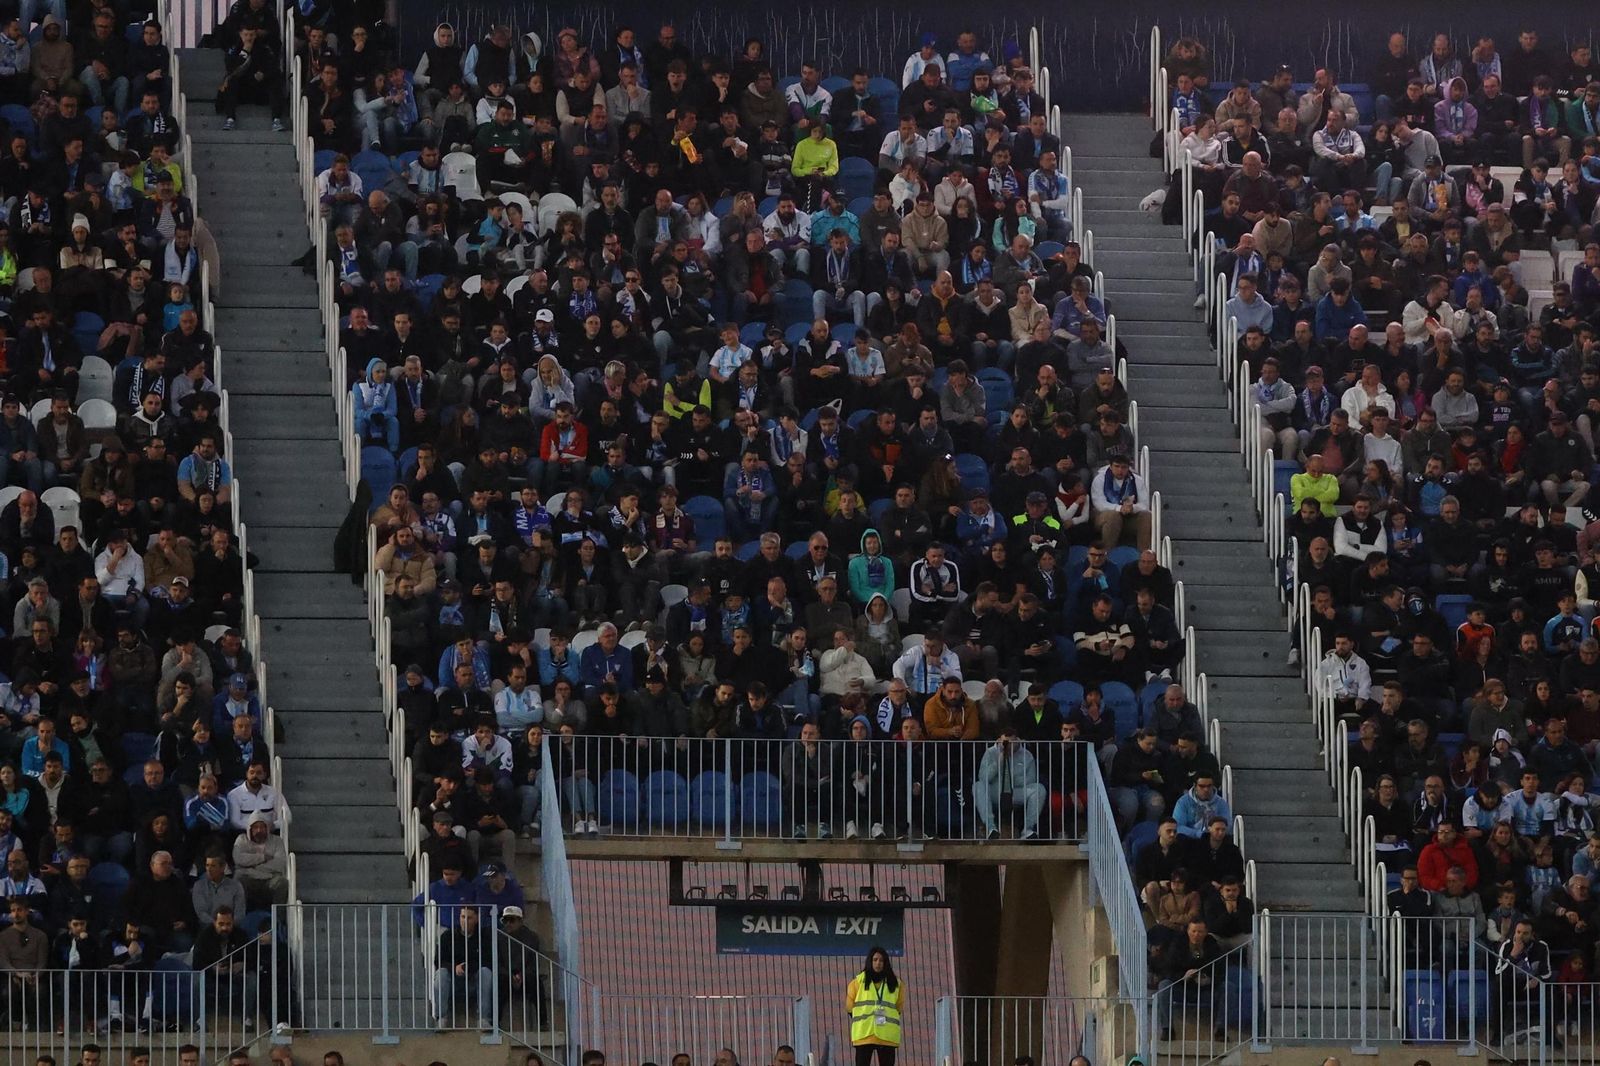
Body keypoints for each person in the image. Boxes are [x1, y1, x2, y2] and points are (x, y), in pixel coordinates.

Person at [845, 945, 904, 1066]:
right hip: (864, 1034)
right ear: (870, 961)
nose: (878, 963)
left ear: (886, 963)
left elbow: (899, 1007)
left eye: (881, 960)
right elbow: (849, 1007)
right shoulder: (857, 982)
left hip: (887, 1036)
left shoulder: (897, 984)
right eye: (875, 959)